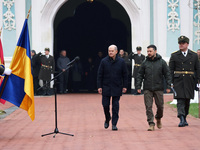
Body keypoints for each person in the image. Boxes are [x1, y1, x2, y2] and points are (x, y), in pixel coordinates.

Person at [136, 45, 171, 131]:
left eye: (150, 51)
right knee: (148, 106)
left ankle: (158, 118)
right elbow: (140, 75)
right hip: (147, 88)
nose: (149, 53)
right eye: (147, 51)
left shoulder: (162, 62)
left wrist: (168, 85)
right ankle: (151, 123)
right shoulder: (145, 62)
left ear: (155, 51)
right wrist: (138, 86)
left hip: (158, 87)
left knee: (160, 106)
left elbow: (167, 74)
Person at [169, 36, 200, 127]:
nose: (181, 45)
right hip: (178, 80)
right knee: (180, 99)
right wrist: (170, 82)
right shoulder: (174, 55)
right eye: (180, 43)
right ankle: (181, 118)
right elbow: (170, 70)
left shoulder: (194, 55)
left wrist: (198, 81)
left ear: (187, 44)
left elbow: (197, 69)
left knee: (187, 100)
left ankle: (185, 116)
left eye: (183, 43)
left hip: (190, 80)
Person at [97, 44, 128, 131]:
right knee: (105, 105)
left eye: (112, 51)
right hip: (106, 86)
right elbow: (99, 75)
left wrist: (125, 86)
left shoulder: (121, 62)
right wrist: (99, 86)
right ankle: (107, 118)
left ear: (116, 52)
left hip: (117, 86)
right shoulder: (104, 61)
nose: (110, 52)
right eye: (109, 51)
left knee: (115, 106)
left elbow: (125, 75)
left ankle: (114, 123)